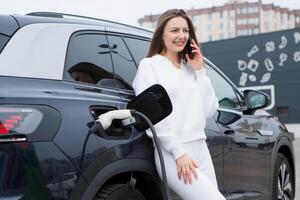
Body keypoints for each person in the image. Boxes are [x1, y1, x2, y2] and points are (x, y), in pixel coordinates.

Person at [133, 9, 226, 200]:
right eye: (175, 30)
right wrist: (178, 152)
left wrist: (200, 71)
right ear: (162, 34)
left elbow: (209, 110)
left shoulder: (190, 68)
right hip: (173, 152)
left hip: (200, 147)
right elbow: (153, 116)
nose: (182, 36)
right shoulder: (149, 66)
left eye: (185, 30)